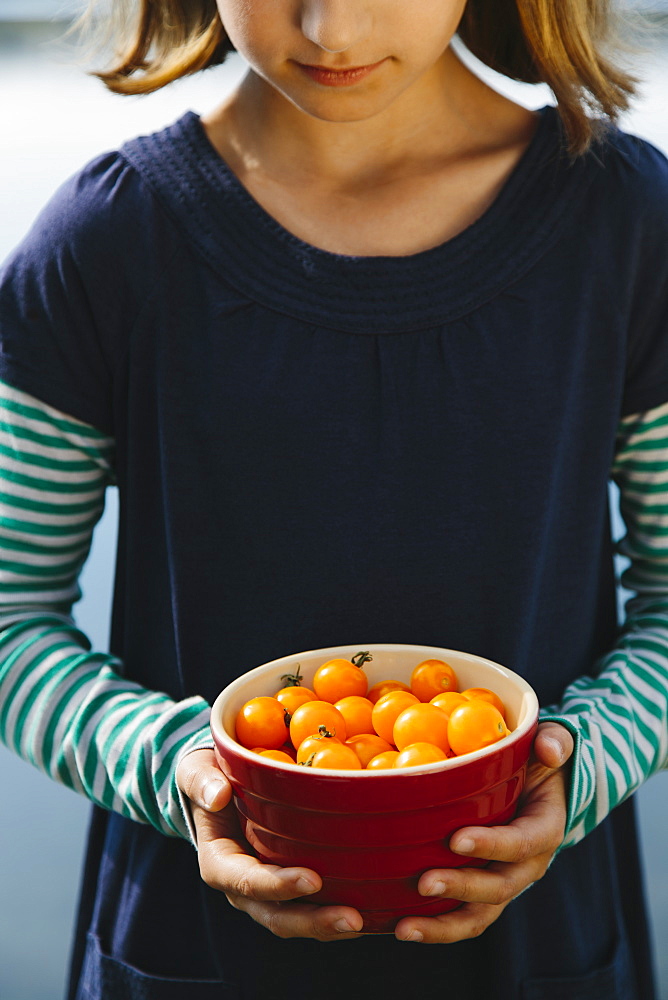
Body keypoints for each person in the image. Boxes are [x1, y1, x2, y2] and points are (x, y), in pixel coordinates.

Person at [0, 0, 667, 997]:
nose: (331, 30)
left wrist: (576, 768)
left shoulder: (629, 225)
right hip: (189, 950)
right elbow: (11, 613)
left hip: (541, 955)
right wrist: (182, 770)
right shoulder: (104, 241)